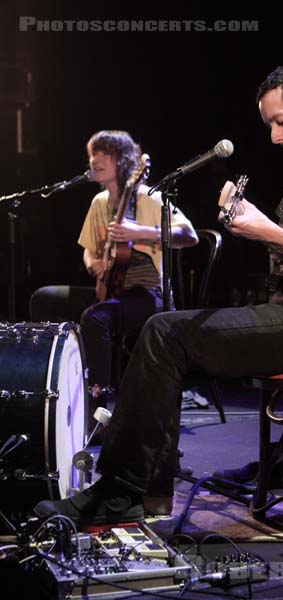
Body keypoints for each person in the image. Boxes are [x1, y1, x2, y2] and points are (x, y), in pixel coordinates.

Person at [34, 63, 283, 525]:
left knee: (165, 332)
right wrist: (258, 228)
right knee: (165, 333)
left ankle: (126, 489)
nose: (274, 136)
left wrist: (269, 231)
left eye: (280, 121)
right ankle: (145, 488)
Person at [30, 130, 199, 415]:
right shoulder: (99, 202)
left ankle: (97, 408)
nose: (94, 160)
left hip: (147, 294)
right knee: (42, 298)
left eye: (102, 154)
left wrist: (140, 231)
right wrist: (91, 263)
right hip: (109, 291)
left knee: (96, 318)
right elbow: (88, 249)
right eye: (92, 154)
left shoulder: (146, 197)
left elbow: (189, 235)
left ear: (121, 160)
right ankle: (49, 388)